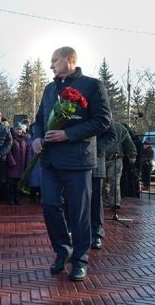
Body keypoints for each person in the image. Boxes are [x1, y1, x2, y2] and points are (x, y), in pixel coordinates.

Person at [32, 46, 111, 281]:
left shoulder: (92, 85)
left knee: (79, 213)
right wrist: (35, 137)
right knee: (49, 206)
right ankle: (62, 250)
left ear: (70, 59)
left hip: (77, 161)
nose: (51, 65)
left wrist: (68, 135)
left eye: (54, 60)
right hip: (50, 161)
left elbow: (103, 121)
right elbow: (38, 120)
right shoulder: (48, 89)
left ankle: (80, 260)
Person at [90, 121, 116, 250]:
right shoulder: (71, 105)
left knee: (95, 199)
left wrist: (96, 148)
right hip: (75, 163)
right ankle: (74, 230)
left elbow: (111, 135)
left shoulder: (101, 107)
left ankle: (96, 233)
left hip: (95, 163)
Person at [103, 122, 136, 209]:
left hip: (115, 158)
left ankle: (114, 202)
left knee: (114, 181)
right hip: (101, 158)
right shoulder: (99, 125)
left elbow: (128, 142)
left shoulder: (119, 128)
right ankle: (104, 200)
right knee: (102, 182)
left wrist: (132, 154)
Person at [6, 122, 31, 205]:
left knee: (19, 184)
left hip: (21, 165)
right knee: (12, 184)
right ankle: (11, 199)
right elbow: (8, 151)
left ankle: (17, 198)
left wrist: (27, 162)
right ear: (14, 130)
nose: (19, 131)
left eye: (20, 129)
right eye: (17, 129)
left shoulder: (25, 139)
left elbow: (28, 151)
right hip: (13, 165)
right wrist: (12, 162)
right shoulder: (11, 139)